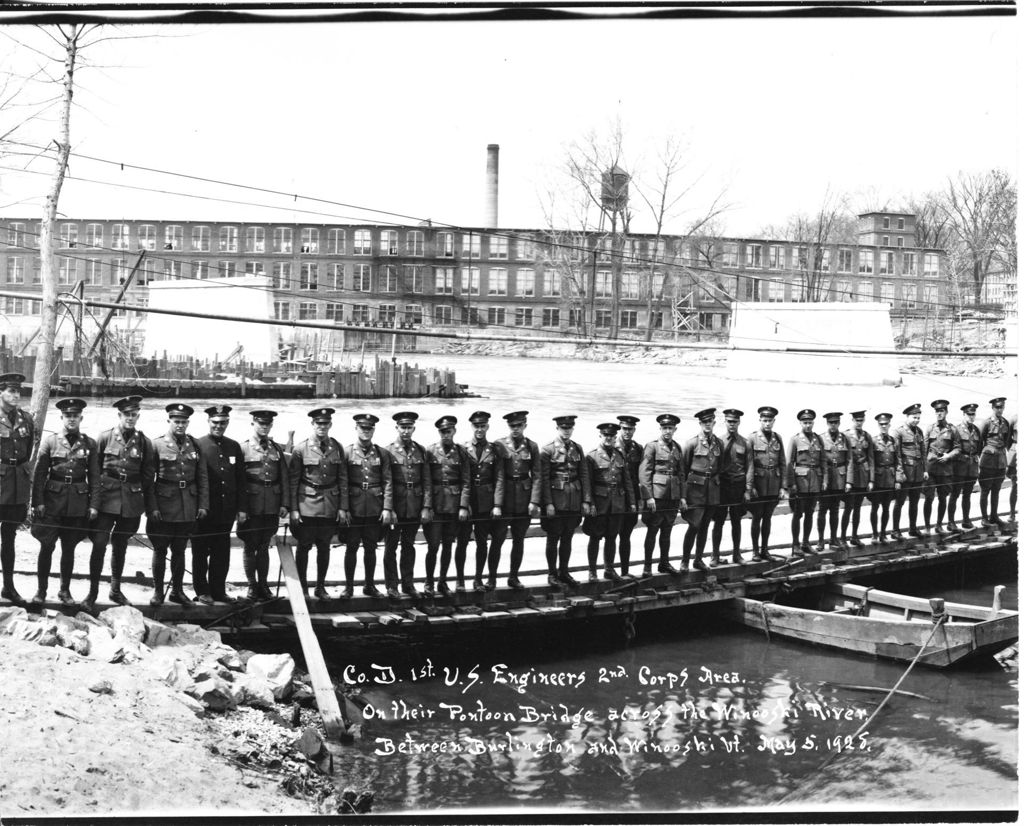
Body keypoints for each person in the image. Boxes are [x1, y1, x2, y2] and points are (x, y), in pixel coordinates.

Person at [30, 398, 99, 605]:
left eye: (75, 416)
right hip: (52, 503)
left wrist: (94, 504)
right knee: (46, 546)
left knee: (69, 549)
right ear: (61, 417)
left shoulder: (89, 443)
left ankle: (64, 590)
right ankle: (41, 591)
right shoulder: (50, 441)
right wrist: (37, 502)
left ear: (81, 418)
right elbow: (40, 474)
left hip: (77, 504)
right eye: (68, 416)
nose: (71, 419)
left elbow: (95, 477)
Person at [88, 395, 154, 610]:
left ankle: (115, 589)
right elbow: (94, 472)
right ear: (120, 415)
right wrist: (94, 503)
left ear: (138, 416)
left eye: (134, 415)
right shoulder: (105, 437)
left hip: (131, 502)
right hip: (106, 500)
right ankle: (93, 591)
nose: (130, 418)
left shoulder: (144, 442)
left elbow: (147, 476)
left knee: (121, 545)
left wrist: (145, 503)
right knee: (99, 544)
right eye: (127, 414)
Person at [145, 403, 209, 605]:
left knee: (180, 549)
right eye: (176, 421)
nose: (180, 425)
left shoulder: (195, 445)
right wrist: (152, 507)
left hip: (187, 505)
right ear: (169, 421)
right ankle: (157, 591)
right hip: (164, 504)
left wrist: (203, 504)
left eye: (184, 422)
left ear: (188, 423)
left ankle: (177, 591)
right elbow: (148, 480)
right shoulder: (156, 445)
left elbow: (202, 477)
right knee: (160, 549)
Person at [289, 407, 346, 600]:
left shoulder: (337, 447)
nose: (322, 427)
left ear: (330, 425)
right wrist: (294, 509)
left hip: (330, 504)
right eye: (318, 423)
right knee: (304, 546)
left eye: (325, 423)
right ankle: (302, 588)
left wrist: (343, 507)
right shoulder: (300, 448)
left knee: (324, 547)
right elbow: (293, 481)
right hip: (307, 504)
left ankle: (320, 587)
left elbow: (342, 479)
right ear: (312, 425)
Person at [193, 405, 246, 604]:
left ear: (227, 423)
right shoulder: (199, 444)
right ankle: (202, 590)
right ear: (208, 422)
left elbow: (240, 480)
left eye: (222, 423)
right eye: (215, 422)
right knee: (200, 552)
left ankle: (218, 590)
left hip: (226, 511)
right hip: (205, 510)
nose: (218, 426)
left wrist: (241, 508)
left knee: (221, 554)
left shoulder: (233, 446)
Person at [237, 410, 290, 601]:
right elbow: (239, 481)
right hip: (251, 505)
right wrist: (241, 508)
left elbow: (283, 477)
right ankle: (252, 586)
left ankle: (263, 585)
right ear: (253, 423)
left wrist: (284, 503)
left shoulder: (276, 449)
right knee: (250, 546)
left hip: (271, 504)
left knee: (265, 545)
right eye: (261, 424)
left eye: (267, 424)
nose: (264, 427)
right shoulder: (243, 448)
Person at [342, 413, 394, 598]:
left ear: (374, 430)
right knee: (351, 547)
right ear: (356, 429)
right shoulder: (347, 452)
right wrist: (345, 508)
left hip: (374, 507)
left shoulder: (382, 453)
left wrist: (387, 508)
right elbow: (343, 482)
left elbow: (388, 482)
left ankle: (369, 585)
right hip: (354, 508)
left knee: (371, 548)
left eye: (369, 428)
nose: (366, 431)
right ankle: (348, 587)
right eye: (363, 428)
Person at [540, 415, 593, 588]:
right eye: (563, 428)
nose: (566, 431)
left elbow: (584, 475)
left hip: (573, 500)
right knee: (553, 537)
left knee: (568, 538)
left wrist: (586, 500)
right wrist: (547, 503)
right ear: (557, 429)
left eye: (569, 428)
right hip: (556, 501)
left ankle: (564, 572)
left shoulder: (577, 448)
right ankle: (551, 574)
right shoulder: (547, 450)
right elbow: (543, 479)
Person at [384, 412, 432, 598]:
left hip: (414, 505)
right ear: (396, 428)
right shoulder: (388, 451)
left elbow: (426, 480)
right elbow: (386, 481)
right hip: (396, 506)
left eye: (409, 427)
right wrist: (389, 508)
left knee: (409, 546)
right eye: (402, 427)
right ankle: (391, 585)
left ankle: (408, 584)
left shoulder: (421, 451)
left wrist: (426, 506)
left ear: (414, 429)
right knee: (391, 547)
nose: (405, 431)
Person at [491, 411, 542, 589]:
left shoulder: (532, 446)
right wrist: (497, 504)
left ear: (524, 426)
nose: (515, 429)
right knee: (497, 539)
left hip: (523, 499)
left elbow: (537, 475)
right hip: (505, 499)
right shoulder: (499, 445)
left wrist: (534, 502)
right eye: (512, 426)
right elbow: (497, 475)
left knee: (519, 539)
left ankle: (513, 577)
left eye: (519, 426)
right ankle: (492, 578)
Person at [582, 422, 635, 582]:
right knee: (595, 537)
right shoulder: (591, 456)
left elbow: (626, 481)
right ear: (600, 436)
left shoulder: (620, 455)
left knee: (612, 537)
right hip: (599, 503)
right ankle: (592, 571)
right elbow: (587, 482)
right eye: (606, 436)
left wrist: (631, 502)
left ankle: (609, 569)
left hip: (617, 503)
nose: (609, 439)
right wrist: (589, 503)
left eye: (612, 436)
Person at [424, 415, 471, 595]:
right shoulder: (430, 451)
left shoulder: (461, 452)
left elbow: (466, 481)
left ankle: (442, 581)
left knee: (448, 545)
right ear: (439, 432)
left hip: (453, 506)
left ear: (454, 431)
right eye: (442, 432)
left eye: (449, 431)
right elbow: (427, 480)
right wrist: (427, 507)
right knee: (433, 546)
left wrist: (463, 506)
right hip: (436, 505)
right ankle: (429, 582)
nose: (446, 435)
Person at [460, 411, 505, 591]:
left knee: (482, 542)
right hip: (468, 501)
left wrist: (497, 505)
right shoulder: (463, 449)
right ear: (472, 427)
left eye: (483, 426)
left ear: (487, 427)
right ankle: (460, 580)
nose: (479, 429)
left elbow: (499, 478)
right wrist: (464, 503)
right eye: (476, 426)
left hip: (486, 502)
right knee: (462, 541)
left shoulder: (495, 449)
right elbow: (462, 477)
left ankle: (478, 578)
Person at [0, 373, 33, 605]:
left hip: (16, 484)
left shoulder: (26, 419)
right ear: (0, 392)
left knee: (9, 538)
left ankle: (8, 586)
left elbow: (27, 451)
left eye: (18, 391)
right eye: (10, 391)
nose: (15, 395)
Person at [638, 413, 684, 576]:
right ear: (660, 429)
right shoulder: (652, 446)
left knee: (667, 531)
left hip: (673, 496)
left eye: (670, 428)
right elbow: (644, 473)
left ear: (675, 429)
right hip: (656, 497)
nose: (667, 431)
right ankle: (647, 566)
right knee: (652, 530)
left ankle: (664, 563)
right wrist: (648, 496)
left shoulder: (677, 447)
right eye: (665, 428)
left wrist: (682, 496)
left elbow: (681, 474)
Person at [680, 408, 723, 571]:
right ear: (700, 424)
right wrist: (683, 496)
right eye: (704, 422)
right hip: (695, 491)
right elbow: (683, 470)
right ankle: (685, 561)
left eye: (710, 422)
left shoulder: (719, 443)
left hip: (712, 491)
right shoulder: (691, 443)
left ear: (714, 423)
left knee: (705, 526)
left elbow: (721, 466)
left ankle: (698, 559)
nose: (707, 425)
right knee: (694, 525)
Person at [745, 406, 784, 561]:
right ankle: (755, 551)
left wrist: (783, 486)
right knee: (757, 517)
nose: (767, 423)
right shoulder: (752, 438)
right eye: (765, 420)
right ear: (760, 420)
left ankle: (765, 550)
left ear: (774, 421)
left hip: (773, 484)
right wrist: (751, 486)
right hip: (759, 485)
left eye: (770, 421)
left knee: (768, 518)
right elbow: (749, 464)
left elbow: (782, 462)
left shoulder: (777, 438)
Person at [711, 409, 748, 565]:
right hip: (723, 487)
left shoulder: (745, 442)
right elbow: (713, 466)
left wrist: (748, 488)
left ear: (739, 422)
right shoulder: (718, 441)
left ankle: (737, 554)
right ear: (725, 422)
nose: (732, 424)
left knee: (736, 521)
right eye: (729, 421)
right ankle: (715, 555)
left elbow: (749, 466)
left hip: (738, 486)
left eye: (734, 421)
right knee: (718, 521)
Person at [786, 409, 825, 556]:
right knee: (797, 514)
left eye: (810, 422)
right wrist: (791, 484)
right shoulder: (795, 439)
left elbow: (823, 462)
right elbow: (789, 463)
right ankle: (795, 545)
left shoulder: (818, 439)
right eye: (805, 423)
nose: (808, 425)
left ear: (813, 423)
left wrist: (824, 480)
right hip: (800, 481)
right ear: (800, 423)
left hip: (815, 480)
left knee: (810, 513)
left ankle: (806, 543)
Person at [922, 399, 962, 535]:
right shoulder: (929, 428)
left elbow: (957, 449)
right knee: (929, 497)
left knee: (943, 497)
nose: (939, 414)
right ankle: (927, 526)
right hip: (931, 468)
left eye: (941, 411)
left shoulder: (952, 429)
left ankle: (939, 525)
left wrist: (948, 456)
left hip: (945, 469)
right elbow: (924, 449)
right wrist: (924, 469)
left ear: (946, 412)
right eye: (937, 411)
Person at [816, 412, 850, 551]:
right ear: (827, 424)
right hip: (826, 478)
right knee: (822, 510)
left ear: (839, 424)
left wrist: (849, 481)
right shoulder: (821, 438)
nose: (833, 425)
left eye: (836, 422)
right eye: (831, 423)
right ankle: (820, 540)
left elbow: (849, 460)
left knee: (835, 510)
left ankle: (834, 538)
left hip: (839, 478)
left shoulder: (844, 438)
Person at [840, 411, 874, 547]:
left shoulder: (867, 436)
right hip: (851, 476)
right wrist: (847, 479)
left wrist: (871, 480)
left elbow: (871, 458)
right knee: (848, 507)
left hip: (863, 477)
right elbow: (844, 457)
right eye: (857, 420)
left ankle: (854, 536)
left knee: (858, 508)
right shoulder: (846, 435)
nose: (859, 423)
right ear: (852, 420)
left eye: (861, 420)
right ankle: (842, 538)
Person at [892, 403, 926, 539]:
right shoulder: (899, 432)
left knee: (915, 502)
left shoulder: (919, 431)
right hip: (905, 473)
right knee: (899, 502)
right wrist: (900, 475)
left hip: (917, 473)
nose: (916, 420)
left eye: (918, 418)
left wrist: (925, 470)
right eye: (914, 417)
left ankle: (913, 528)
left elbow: (923, 452)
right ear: (907, 416)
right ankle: (895, 530)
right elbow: (897, 455)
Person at [615, 415, 643, 578]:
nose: (627, 432)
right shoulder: (612, 445)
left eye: (630, 429)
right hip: (616, 498)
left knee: (626, 535)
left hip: (631, 499)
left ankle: (625, 571)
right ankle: (608, 570)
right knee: (611, 535)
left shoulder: (637, 448)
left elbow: (641, 474)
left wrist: (641, 499)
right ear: (620, 428)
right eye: (624, 429)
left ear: (634, 430)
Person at [978, 396, 1012, 528]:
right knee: (985, 490)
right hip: (988, 461)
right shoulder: (987, 423)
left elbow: (1006, 440)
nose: (1000, 409)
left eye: (1002, 407)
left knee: (996, 490)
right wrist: (981, 457)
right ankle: (984, 517)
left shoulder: (1005, 423)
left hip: (1000, 461)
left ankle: (994, 515)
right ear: (993, 408)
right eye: (997, 407)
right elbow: (980, 441)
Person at [950, 403, 982, 529]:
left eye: (973, 414)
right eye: (969, 414)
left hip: (972, 467)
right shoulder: (956, 430)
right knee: (955, 494)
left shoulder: (976, 430)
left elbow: (978, 447)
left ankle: (966, 520)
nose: (971, 417)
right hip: (959, 467)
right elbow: (953, 449)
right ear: (963, 415)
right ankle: (951, 522)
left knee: (967, 494)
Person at [869, 413, 898, 543]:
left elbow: (898, 461)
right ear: (878, 425)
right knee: (875, 507)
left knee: (886, 508)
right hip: (878, 478)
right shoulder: (874, 441)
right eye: (881, 424)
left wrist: (897, 479)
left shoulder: (893, 441)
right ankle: (874, 534)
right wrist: (872, 480)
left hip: (890, 478)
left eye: (886, 424)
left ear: (889, 425)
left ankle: (883, 534)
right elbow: (871, 461)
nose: (884, 426)